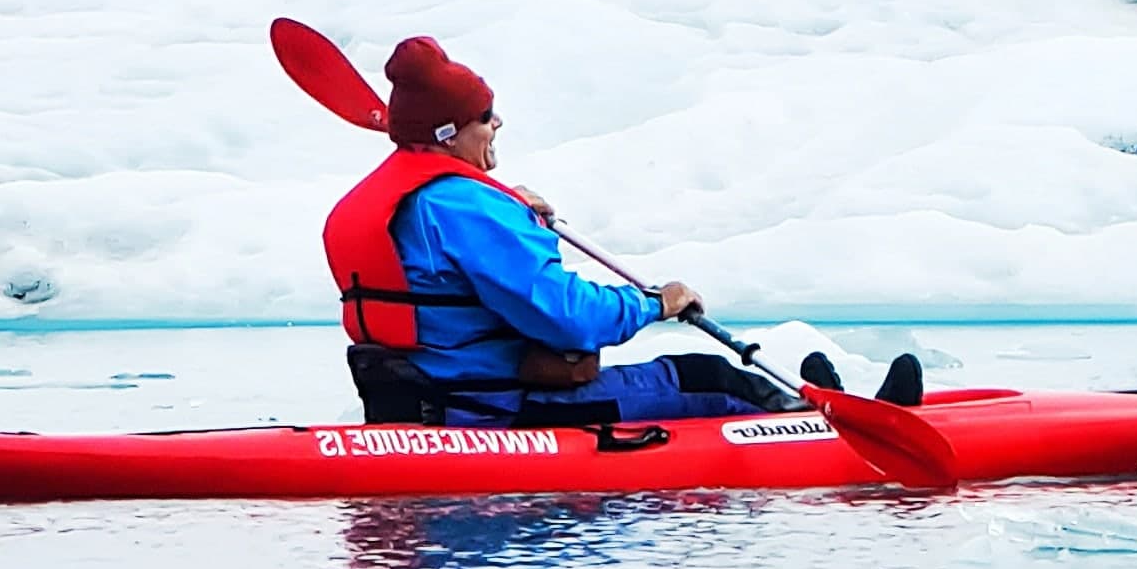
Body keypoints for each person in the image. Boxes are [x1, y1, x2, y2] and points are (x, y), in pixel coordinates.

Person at [323, 35, 813, 427]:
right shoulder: (470, 207)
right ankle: (827, 432)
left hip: (423, 402)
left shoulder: (403, 201)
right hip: (501, 408)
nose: (497, 122)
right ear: (450, 134)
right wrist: (654, 303)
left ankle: (819, 401)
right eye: (483, 117)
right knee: (715, 379)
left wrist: (508, 209)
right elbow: (564, 317)